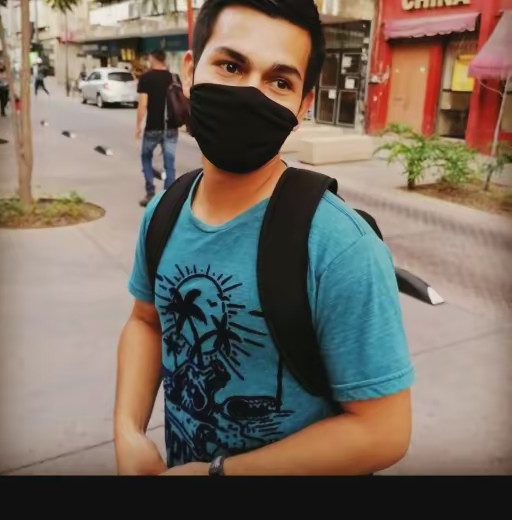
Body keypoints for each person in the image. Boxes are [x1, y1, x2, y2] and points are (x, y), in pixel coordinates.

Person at [115, 0, 415, 476]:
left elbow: (383, 430)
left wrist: (217, 475)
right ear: (190, 71)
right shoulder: (164, 212)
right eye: (231, 66)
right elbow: (146, 322)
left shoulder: (340, 247)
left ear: (303, 105)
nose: (250, 94)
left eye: (279, 81)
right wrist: (127, 431)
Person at [135, 49, 179, 207]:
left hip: (153, 127)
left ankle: (150, 193)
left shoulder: (146, 78)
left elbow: (143, 105)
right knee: (169, 163)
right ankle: (169, 198)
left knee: (146, 158)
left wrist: (138, 126)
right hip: (171, 127)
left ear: (152, 58)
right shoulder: (174, 77)